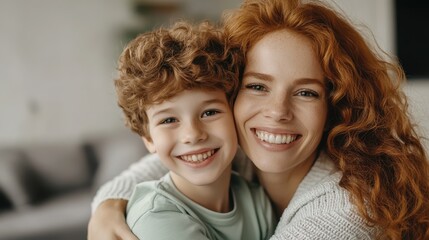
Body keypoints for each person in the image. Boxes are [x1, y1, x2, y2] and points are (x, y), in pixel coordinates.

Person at [88, 0, 429, 239]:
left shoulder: (344, 209)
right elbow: (155, 165)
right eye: (257, 86)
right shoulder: (234, 154)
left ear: (336, 107)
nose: (278, 111)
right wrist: (107, 207)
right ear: (231, 93)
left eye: (306, 92)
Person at [108, 20, 275, 240]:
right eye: (168, 120)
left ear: (234, 114)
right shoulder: (156, 217)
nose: (193, 134)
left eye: (209, 113)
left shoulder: (255, 199)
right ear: (148, 138)